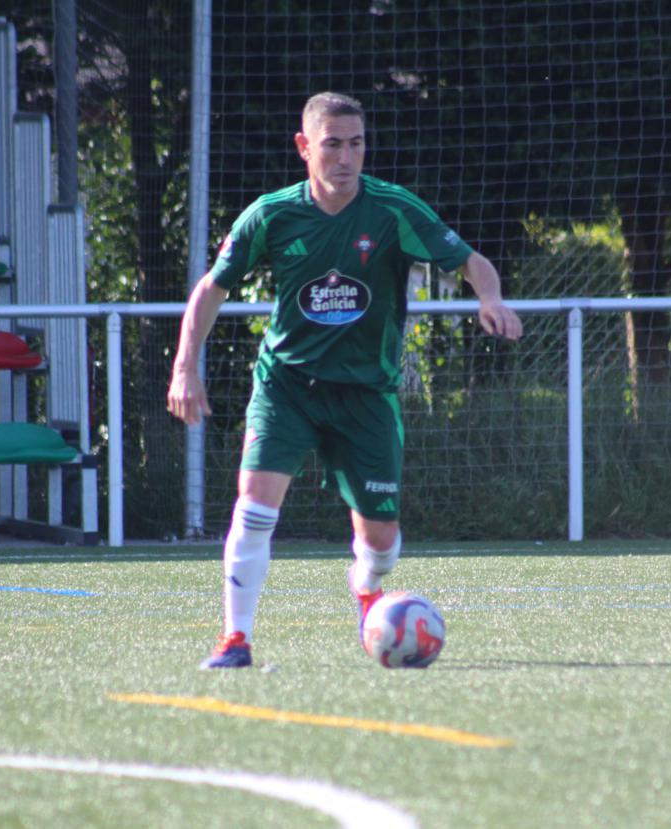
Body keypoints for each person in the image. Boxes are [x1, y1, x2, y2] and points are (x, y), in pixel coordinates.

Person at [167, 92, 523, 669]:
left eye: (356, 144)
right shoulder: (271, 215)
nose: (345, 158)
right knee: (253, 506)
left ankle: (367, 584)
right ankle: (235, 640)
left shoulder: (392, 209)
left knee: (381, 541)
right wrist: (185, 367)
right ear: (304, 147)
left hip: (365, 396)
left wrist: (491, 298)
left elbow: (469, 260)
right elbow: (212, 288)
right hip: (287, 387)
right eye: (332, 144)